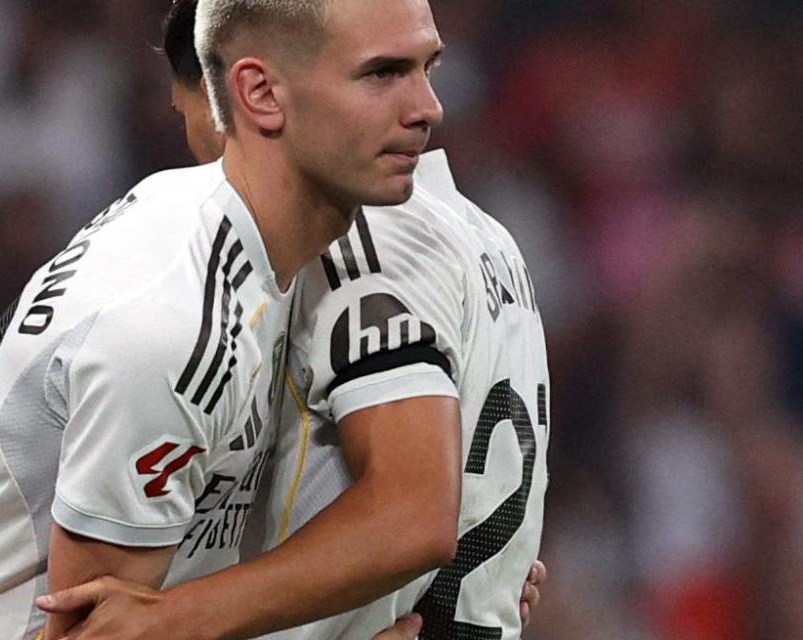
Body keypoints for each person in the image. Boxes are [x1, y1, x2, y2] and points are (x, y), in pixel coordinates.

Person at [0, 0, 444, 638]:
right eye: (382, 74)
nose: (427, 107)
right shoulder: (172, 326)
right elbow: (91, 635)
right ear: (261, 94)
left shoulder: (215, 229)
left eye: (426, 68)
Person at [34, 1, 551, 639]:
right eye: (386, 72)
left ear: (238, 95)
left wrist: (172, 619)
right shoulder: (486, 238)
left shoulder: (362, 225)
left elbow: (413, 513)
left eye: (418, 70)